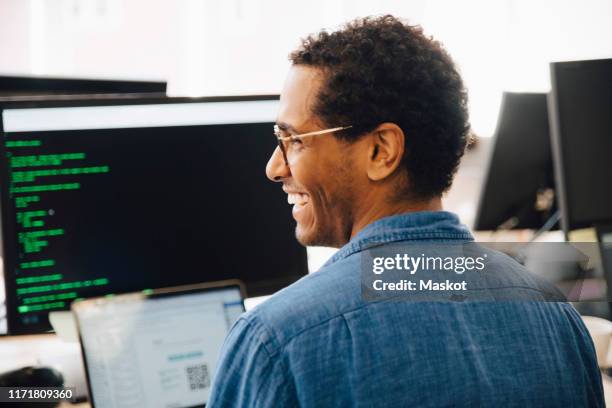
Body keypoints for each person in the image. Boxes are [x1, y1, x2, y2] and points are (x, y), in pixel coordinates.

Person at [208, 15, 603, 407]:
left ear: (381, 151)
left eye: (293, 140)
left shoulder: (276, 341)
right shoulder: (559, 321)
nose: (274, 168)